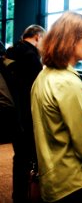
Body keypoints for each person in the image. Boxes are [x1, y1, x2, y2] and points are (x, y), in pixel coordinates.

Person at [31, 11, 82, 202]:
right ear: (71, 39)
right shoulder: (69, 83)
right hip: (76, 182)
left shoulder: (43, 77)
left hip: (54, 181)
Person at [5, 24, 46, 203]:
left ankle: (18, 196)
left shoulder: (11, 52)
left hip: (12, 113)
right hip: (27, 116)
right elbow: (38, 90)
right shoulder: (31, 57)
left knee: (19, 157)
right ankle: (26, 196)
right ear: (37, 37)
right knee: (28, 157)